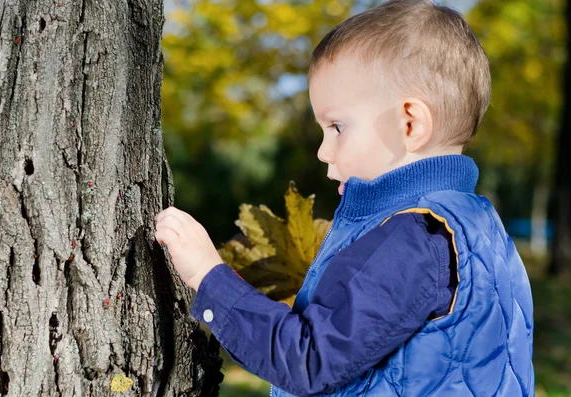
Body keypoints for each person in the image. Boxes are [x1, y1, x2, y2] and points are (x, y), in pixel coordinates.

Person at [153, 0, 535, 395]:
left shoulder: (416, 238)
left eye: (336, 126)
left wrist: (208, 276)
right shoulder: (478, 231)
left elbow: (308, 360)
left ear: (410, 124)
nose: (322, 150)